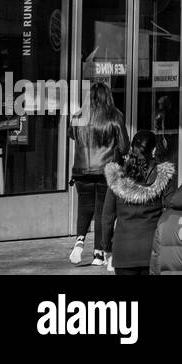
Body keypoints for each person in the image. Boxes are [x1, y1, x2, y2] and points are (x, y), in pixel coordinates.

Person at [67, 81, 129, 267]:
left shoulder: (78, 116)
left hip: (81, 171)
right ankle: (99, 254)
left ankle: (79, 243)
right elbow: (124, 146)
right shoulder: (115, 116)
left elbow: (72, 135)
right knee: (103, 212)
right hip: (105, 171)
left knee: (85, 208)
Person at [104, 131, 176, 275]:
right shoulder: (163, 177)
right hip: (152, 250)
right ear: (154, 150)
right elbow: (172, 211)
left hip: (123, 250)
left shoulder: (117, 178)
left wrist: (106, 247)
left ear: (131, 148)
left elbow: (107, 217)